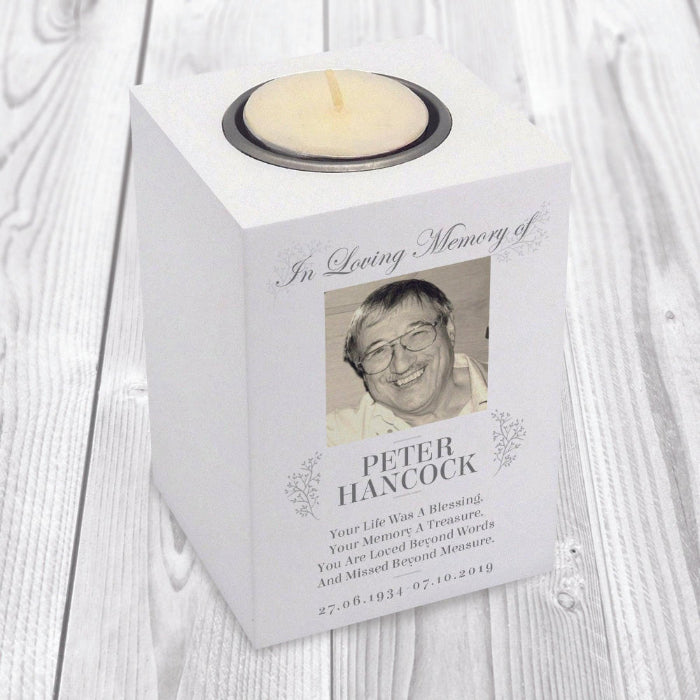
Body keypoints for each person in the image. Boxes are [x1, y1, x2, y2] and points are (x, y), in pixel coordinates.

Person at [327, 278, 488, 446]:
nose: (401, 365)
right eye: (378, 351)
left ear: (449, 330)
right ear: (361, 370)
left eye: (416, 334)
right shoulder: (337, 436)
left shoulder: (506, 384)